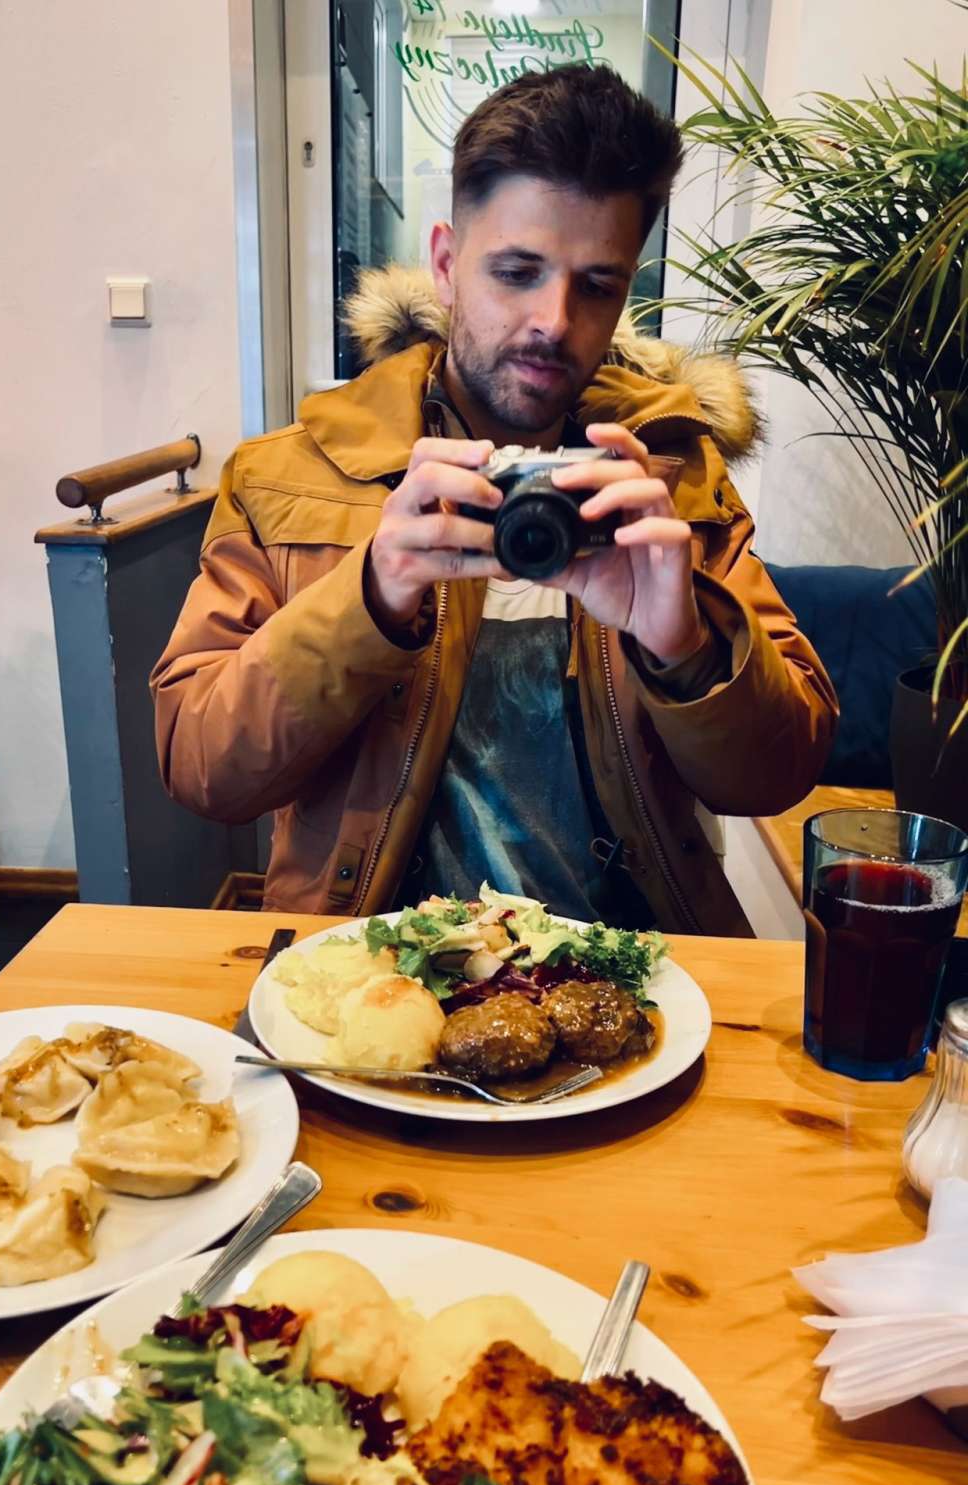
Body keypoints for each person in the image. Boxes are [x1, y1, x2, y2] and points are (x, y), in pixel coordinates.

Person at [151, 64, 836, 934]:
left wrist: (683, 644)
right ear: (445, 264)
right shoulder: (290, 476)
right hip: (367, 974)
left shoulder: (673, 478)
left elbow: (780, 775)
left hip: (632, 973)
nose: (554, 319)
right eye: (517, 271)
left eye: (597, 286)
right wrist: (368, 600)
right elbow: (202, 768)